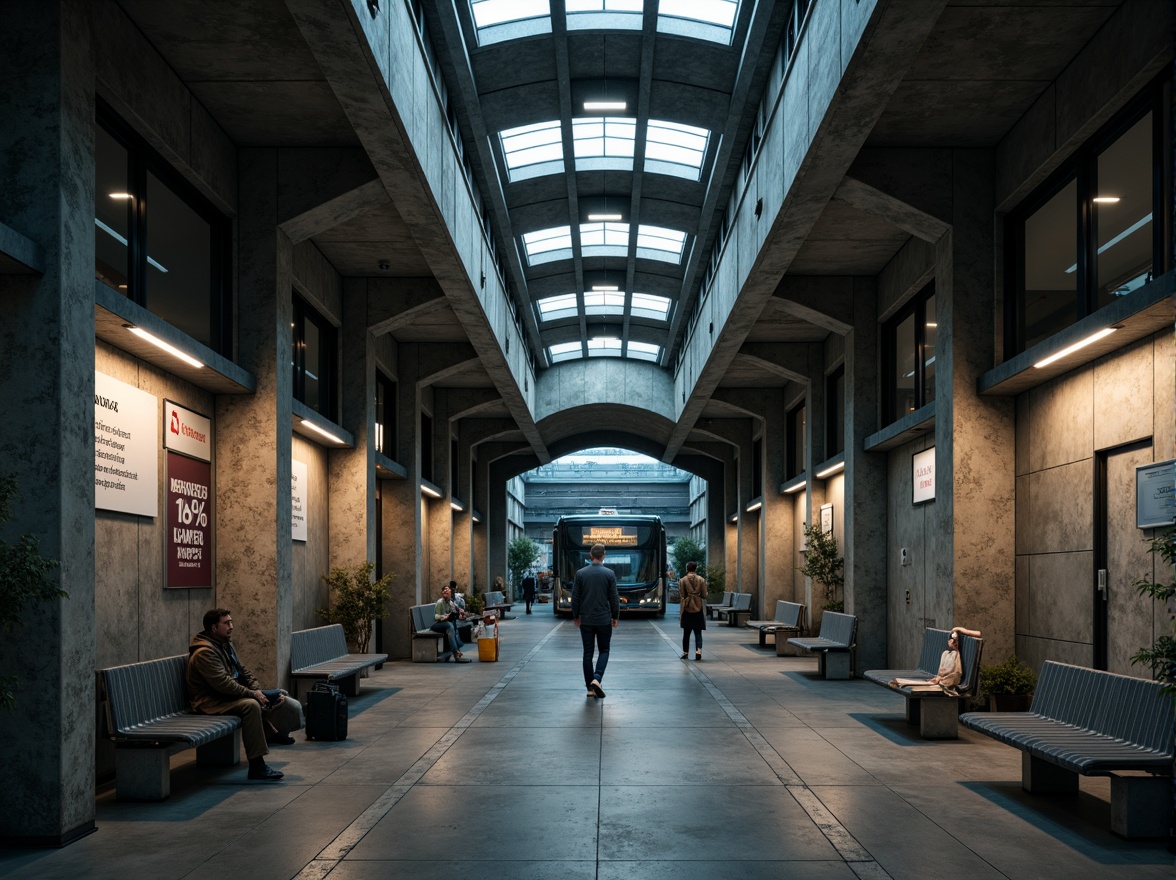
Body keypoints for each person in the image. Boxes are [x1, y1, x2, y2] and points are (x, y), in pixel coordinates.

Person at [186, 608, 304, 782]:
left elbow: (244, 672)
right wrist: (253, 694)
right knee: (250, 705)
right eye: (226, 623)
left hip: (224, 697)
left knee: (276, 695)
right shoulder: (205, 652)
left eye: (231, 622)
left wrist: (256, 689)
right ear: (213, 628)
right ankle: (257, 765)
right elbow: (223, 684)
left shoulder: (225, 645)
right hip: (209, 701)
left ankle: (271, 733)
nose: (231, 626)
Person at [572, 543, 620, 698]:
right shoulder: (609, 574)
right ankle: (597, 678)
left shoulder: (580, 574)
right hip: (604, 619)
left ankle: (590, 689)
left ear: (590, 555)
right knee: (604, 650)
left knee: (587, 653)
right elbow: (614, 598)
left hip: (586, 619)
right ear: (603, 555)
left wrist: (575, 615)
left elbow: (576, 598)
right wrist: (615, 616)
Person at [891, 625, 981, 689]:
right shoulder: (949, 653)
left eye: (953, 640)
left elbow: (978, 634)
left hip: (953, 682)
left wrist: (957, 629)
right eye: (951, 639)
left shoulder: (954, 653)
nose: (951, 641)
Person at [677, 561, 707, 660]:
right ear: (696, 569)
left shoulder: (682, 580)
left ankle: (685, 652)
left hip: (687, 608)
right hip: (698, 607)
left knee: (686, 633)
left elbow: (682, 594)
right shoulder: (701, 580)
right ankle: (698, 652)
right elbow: (704, 595)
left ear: (687, 569)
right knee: (698, 632)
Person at [432, 584, 470, 662]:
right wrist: (445, 617)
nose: (445, 591)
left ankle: (456, 650)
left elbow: (457, 608)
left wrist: (461, 612)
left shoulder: (450, 602)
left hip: (446, 624)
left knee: (453, 624)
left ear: (450, 593)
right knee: (450, 625)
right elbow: (436, 616)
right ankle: (456, 654)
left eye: (447, 590)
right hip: (437, 625)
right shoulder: (440, 602)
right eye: (444, 590)